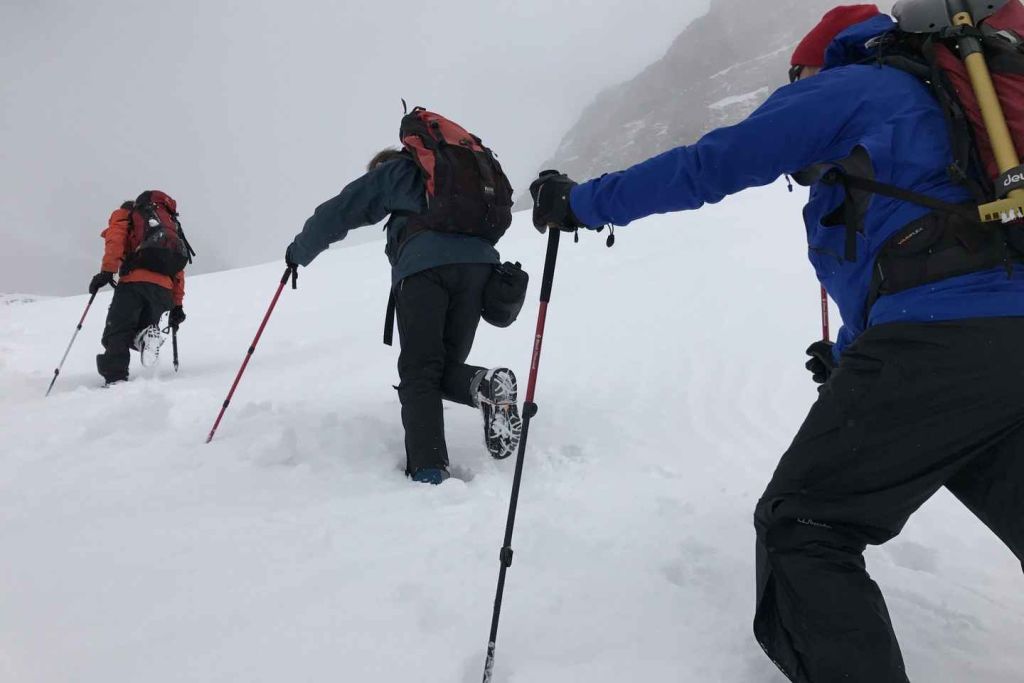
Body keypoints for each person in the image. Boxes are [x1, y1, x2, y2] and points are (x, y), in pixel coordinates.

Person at [530, 5, 1024, 682]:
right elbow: (934, 249)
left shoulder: (853, 86)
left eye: (795, 79)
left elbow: (710, 164)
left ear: (815, 62)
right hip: (999, 342)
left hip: (941, 341)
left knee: (807, 524)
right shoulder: (953, 106)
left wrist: (582, 203)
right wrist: (853, 358)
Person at [284, 115, 522, 485]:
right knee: (442, 367)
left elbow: (341, 210)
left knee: (420, 371)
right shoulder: (457, 177)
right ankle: (484, 385)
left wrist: (298, 253)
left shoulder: (396, 171)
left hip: (425, 271)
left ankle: (429, 469)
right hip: (479, 270)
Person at [90, 191, 187, 385]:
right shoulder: (168, 227)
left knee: (118, 330)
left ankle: (116, 379)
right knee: (142, 329)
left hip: (133, 283)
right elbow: (178, 270)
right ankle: (145, 337)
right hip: (163, 290)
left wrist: (107, 271)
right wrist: (177, 305)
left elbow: (115, 240)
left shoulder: (124, 215)